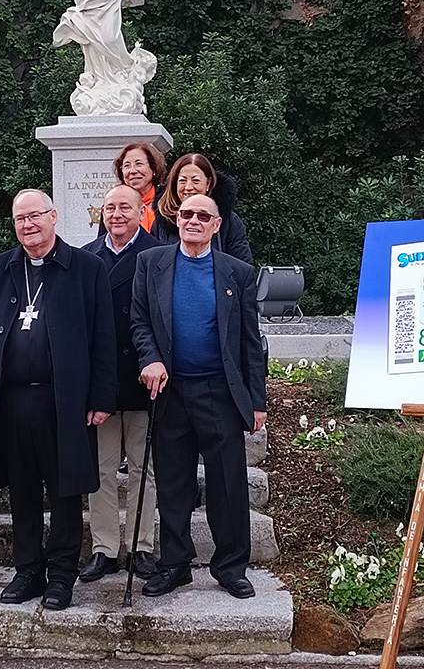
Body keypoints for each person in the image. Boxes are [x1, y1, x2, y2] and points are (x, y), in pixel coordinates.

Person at [0, 189, 117, 611]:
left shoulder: (87, 268)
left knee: (65, 491)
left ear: (53, 217)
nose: (28, 225)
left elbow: (103, 338)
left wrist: (101, 397)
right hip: (11, 401)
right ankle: (28, 569)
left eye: (35, 216)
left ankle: (62, 573)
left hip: (64, 401)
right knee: (22, 491)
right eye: (20, 219)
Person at [131, 193, 267, 600]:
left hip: (218, 391)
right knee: (173, 483)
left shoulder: (237, 273)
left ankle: (231, 567)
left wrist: (256, 400)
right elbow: (140, 321)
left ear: (216, 224)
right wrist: (151, 358)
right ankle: (175, 564)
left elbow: (249, 340)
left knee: (228, 484)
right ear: (177, 219)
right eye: (187, 213)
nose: (193, 220)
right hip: (170, 390)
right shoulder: (150, 263)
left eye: (203, 216)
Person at [80, 185, 161, 583]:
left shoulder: (158, 254)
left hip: (143, 377)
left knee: (144, 469)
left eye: (125, 207)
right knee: (102, 470)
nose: (116, 214)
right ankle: (105, 549)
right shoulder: (87, 256)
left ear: (140, 211)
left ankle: (140, 547)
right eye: (109, 207)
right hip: (102, 383)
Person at [151, 153, 253, 265]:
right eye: (182, 181)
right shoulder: (162, 221)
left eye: (196, 181)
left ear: (208, 183)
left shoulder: (229, 222)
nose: (188, 187)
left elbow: (242, 267)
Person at [111, 142, 166, 233]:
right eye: (127, 166)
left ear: (153, 168)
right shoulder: (113, 203)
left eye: (139, 164)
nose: (132, 171)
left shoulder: (167, 201)